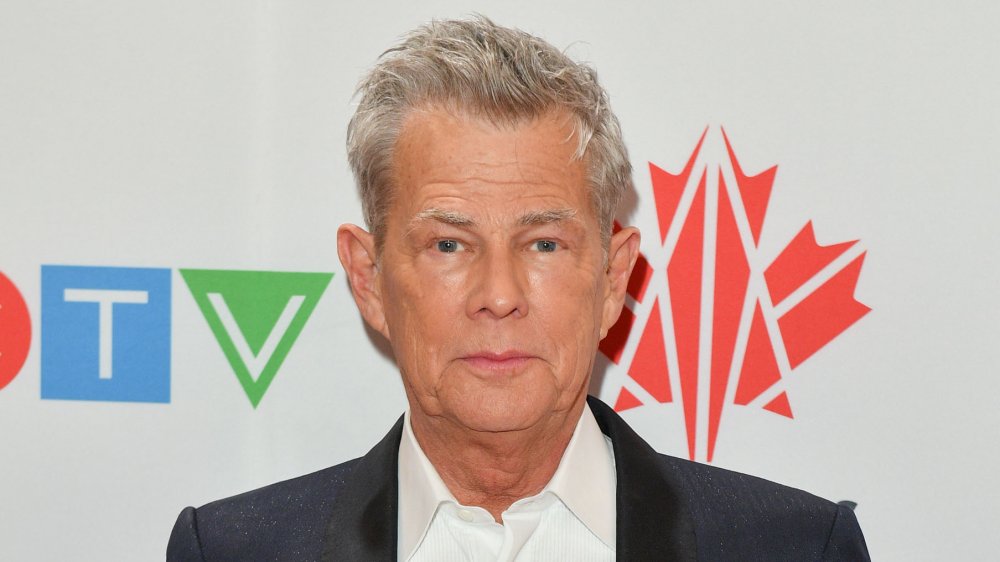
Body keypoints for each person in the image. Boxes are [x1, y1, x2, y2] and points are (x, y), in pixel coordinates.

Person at [167, 16, 870, 561]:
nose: (498, 295)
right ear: (368, 279)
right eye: (448, 244)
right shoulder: (233, 550)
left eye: (543, 244)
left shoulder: (796, 547)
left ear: (612, 277)